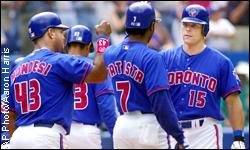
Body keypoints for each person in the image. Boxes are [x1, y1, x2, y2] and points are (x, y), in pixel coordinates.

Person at [6, 12, 111, 149]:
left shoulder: (17, 68)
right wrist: (103, 38)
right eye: (61, 32)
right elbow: (99, 74)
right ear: (50, 33)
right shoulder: (58, 60)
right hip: (46, 136)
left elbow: (10, 114)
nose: (63, 38)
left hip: (19, 138)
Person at [104, 2, 188, 149]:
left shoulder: (111, 53)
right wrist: (178, 135)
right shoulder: (152, 57)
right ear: (151, 27)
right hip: (148, 125)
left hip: (122, 125)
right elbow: (160, 102)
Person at [161, 4, 245, 149]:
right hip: (172, 130)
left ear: (204, 29)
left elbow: (233, 101)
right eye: (185, 24)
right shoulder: (164, 58)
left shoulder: (221, 62)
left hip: (205, 132)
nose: (188, 29)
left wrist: (238, 137)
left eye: (194, 25)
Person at [64, 25, 117, 149]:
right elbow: (106, 107)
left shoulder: (57, 66)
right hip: (86, 134)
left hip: (61, 132)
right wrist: (115, 133)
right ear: (88, 47)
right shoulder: (95, 69)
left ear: (66, 46)